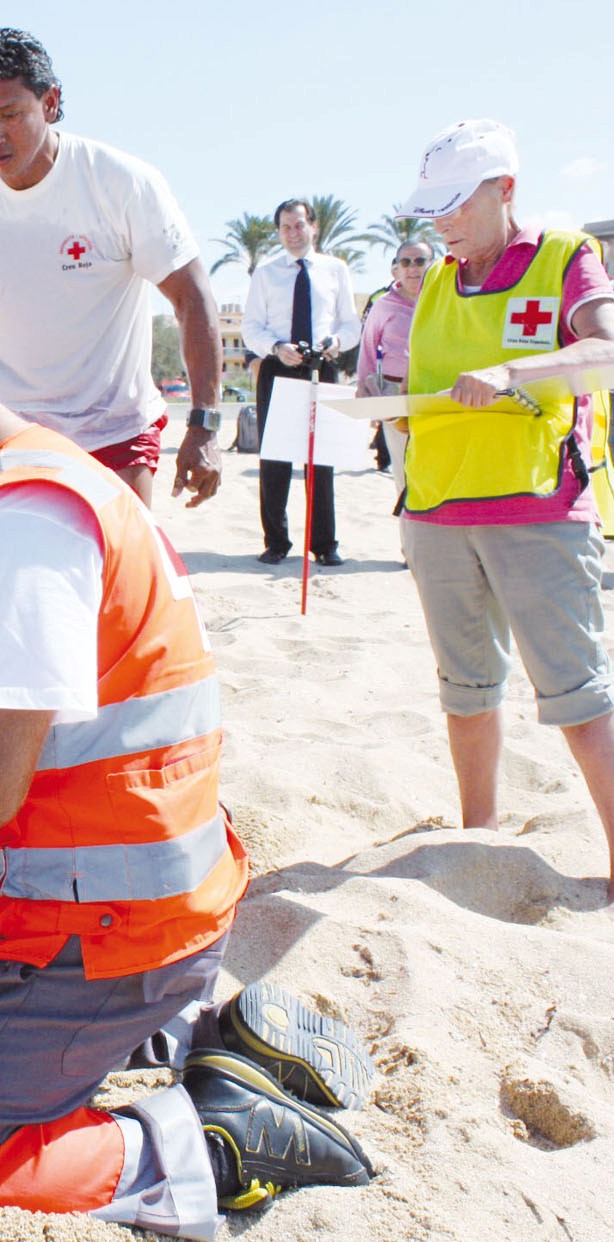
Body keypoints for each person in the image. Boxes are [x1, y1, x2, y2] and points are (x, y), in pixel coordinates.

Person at [0, 312, 373, 1238]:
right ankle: (205, 1033)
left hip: (92, 937)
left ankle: (212, 1141)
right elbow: (23, 731)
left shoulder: (15, 529)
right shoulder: (46, 485)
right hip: (145, 916)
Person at [392, 118, 614, 902]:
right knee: (465, 691)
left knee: (580, 698)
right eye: (432, 209)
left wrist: (514, 370)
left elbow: (606, 353)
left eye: (456, 205)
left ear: (506, 189)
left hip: (538, 509)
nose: (442, 224)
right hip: (439, 508)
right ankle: (476, 836)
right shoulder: (439, 281)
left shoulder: (564, 258)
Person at [0, 27, 223, 510]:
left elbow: (192, 297)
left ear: (51, 103)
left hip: (115, 429)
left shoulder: (122, 183)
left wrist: (205, 424)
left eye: (10, 115)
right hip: (4, 436)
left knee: (115, 581)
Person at [242, 199, 362, 565]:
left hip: (321, 367)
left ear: (314, 227)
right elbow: (251, 328)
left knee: (321, 460)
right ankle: (276, 542)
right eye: (285, 228)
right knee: (275, 459)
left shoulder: (335, 270)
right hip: (280, 367)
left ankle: (325, 545)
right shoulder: (265, 273)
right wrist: (276, 347)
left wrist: (338, 342)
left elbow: (350, 324)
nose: (293, 234)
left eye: (299, 225)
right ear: (278, 232)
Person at [357, 239, 436, 496]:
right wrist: (365, 394)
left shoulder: (445, 298)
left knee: (434, 472)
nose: (413, 268)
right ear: (396, 269)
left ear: (432, 265)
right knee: (404, 475)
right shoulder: (383, 305)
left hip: (435, 394)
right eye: (406, 262)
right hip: (395, 396)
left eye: (420, 261)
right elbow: (368, 349)